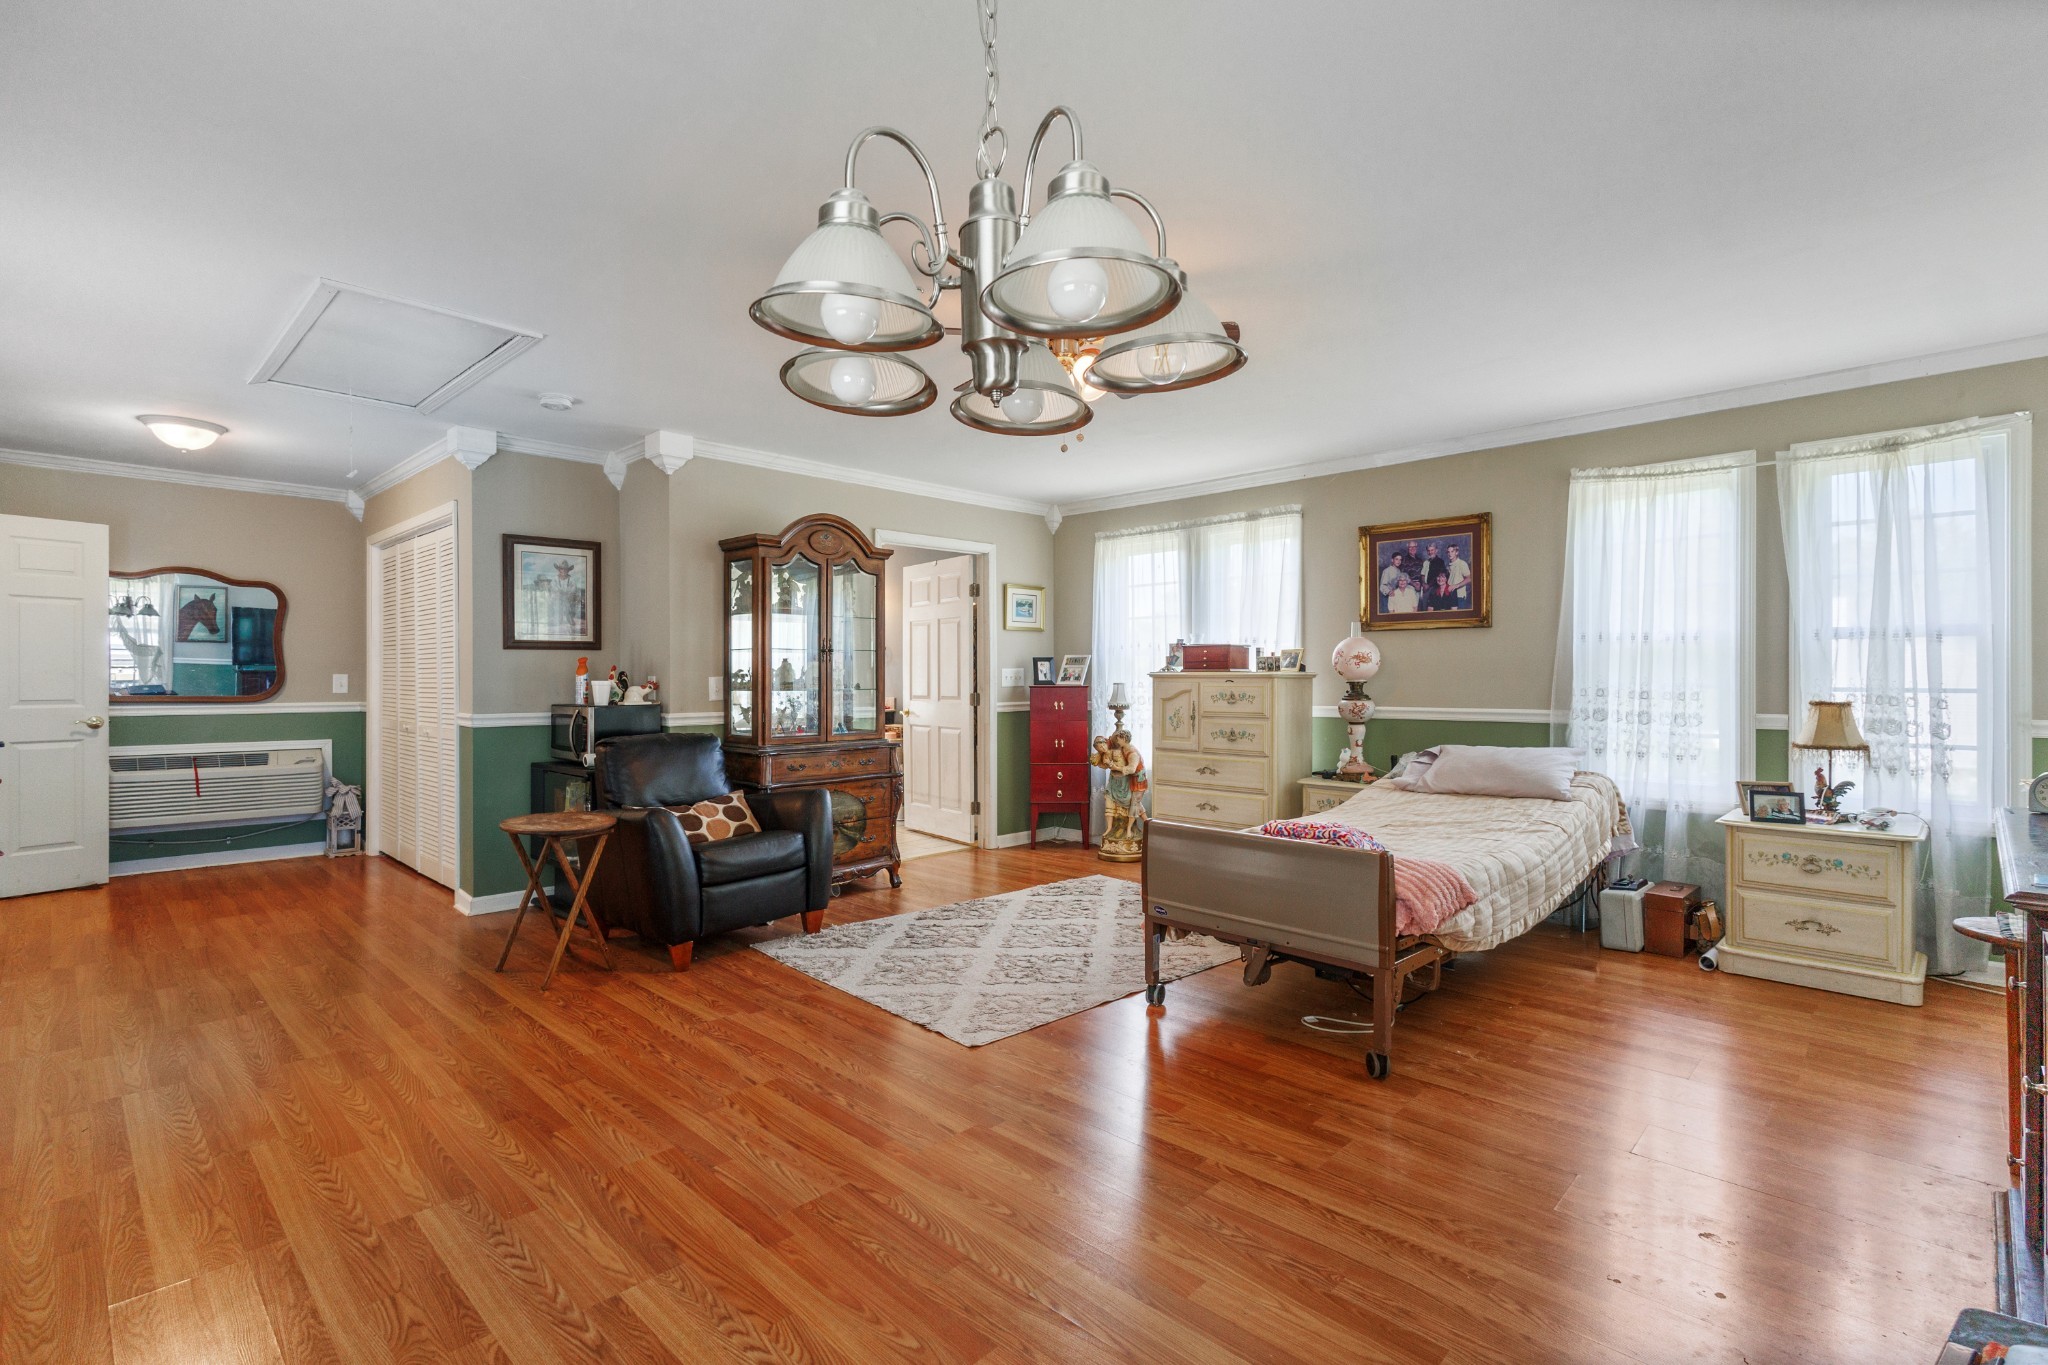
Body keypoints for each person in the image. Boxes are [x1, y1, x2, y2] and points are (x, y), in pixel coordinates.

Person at [1445, 541, 1472, 607]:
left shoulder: (1462, 563)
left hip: (1459, 597)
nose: (1450, 554)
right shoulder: (1447, 565)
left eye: (1452, 551)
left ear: (1457, 552)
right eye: (1448, 552)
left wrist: (1456, 585)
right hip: (1449, 595)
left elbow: (1469, 578)